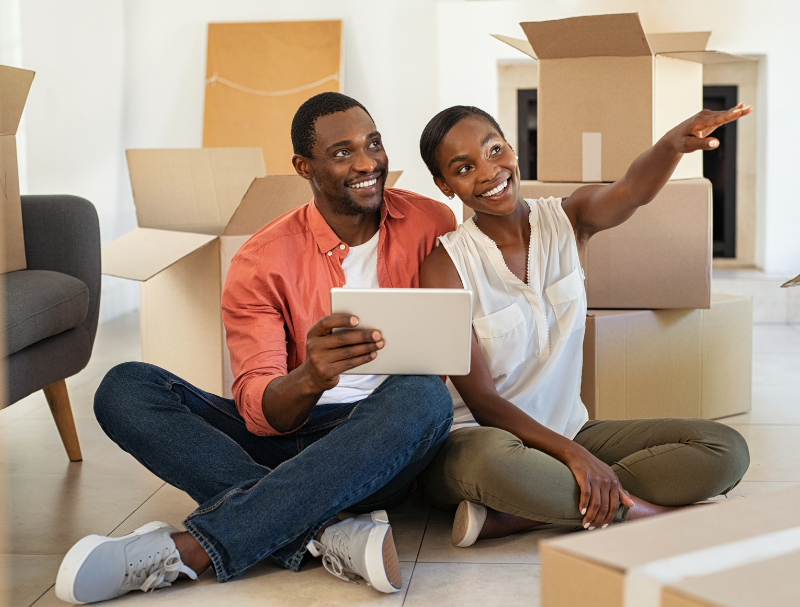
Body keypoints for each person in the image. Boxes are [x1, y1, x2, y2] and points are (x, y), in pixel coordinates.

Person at [55, 92, 456, 604]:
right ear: (303, 167)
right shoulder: (262, 259)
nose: (366, 163)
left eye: (373, 144)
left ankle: (193, 550)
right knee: (124, 386)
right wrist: (312, 376)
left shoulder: (432, 223)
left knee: (424, 396)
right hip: (285, 439)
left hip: (379, 445)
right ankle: (322, 530)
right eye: (341, 152)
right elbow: (262, 412)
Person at [416, 103, 752, 547]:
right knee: (493, 463)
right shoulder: (445, 266)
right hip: (478, 444)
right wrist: (576, 457)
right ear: (445, 185)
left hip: (570, 429)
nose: (489, 171)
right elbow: (482, 401)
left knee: (724, 449)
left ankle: (521, 517)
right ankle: (642, 513)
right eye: (464, 167)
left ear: (512, 149)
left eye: (495, 149)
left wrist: (671, 147)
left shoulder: (570, 218)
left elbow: (632, 189)